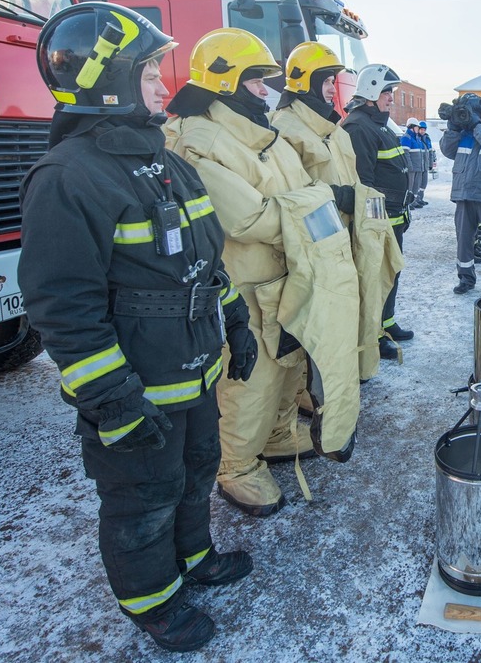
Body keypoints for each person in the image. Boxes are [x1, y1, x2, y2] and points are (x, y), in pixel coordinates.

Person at [20, 3, 256, 652]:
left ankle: (193, 559)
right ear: (106, 78)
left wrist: (234, 320)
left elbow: (208, 261)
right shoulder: (69, 177)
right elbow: (64, 307)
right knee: (142, 496)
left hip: (194, 371)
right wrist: (114, 401)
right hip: (139, 389)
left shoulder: (169, 164)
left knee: (196, 470)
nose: (162, 81)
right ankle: (155, 604)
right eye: (149, 69)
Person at [165, 28, 360, 519]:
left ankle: (275, 436)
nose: (267, 93)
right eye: (256, 83)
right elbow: (248, 219)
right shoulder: (200, 143)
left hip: (287, 274)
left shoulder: (262, 137)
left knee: (288, 361)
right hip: (245, 284)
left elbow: (299, 197)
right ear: (226, 83)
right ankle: (235, 466)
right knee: (251, 379)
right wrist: (312, 208)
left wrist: (306, 208)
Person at [272, 42, 403, 383]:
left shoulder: (332, 128)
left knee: (353, 311)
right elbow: (290, 195)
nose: (334, 89)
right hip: (317, 246)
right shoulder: (287, 127)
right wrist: (338, 198)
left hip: (344, 237)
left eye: (334, 80)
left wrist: (361, 211)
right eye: (327, 80)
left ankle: (348, 377)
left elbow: (357, 181)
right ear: (306, 82)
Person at [342, 64, 413, 360]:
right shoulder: (359, 127)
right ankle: (374, 335)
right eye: (387, 92)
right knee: (374, 279)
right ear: (370, 91)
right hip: (378, 222)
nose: (391, 99)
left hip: (393, 218)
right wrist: (375, 224)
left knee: (390, 274)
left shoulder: (378, 124)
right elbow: (364, 183)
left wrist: (403, 208)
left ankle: (387, 322)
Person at [441, 92, 481, 294]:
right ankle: (465, 278)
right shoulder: (465, 131)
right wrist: (453, 127)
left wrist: (475, 125)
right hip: (464, 193)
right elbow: (447, 150)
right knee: (463, 240)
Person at [401, 116, 429, 208]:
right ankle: (408, 203)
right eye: (417, 127)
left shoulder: (416, 138)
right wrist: (409, 166)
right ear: (411, 127)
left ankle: (414, 201)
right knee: (410, 186)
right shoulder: (407, 137)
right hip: (412, 167)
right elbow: (405, 153)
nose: (418, 128)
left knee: (416, 186)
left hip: (418, 167)